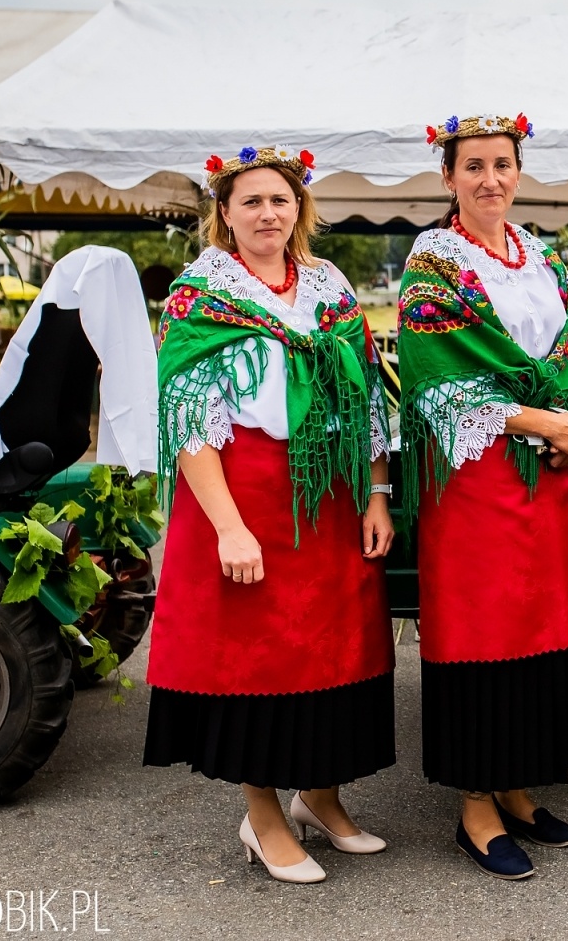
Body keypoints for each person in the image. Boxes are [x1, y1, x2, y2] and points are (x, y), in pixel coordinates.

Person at [144, 146, 395, 885]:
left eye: (280, 201)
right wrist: (228, 526)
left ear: (299, 210)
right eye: (251, 201)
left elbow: (366, 395)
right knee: (257, 662)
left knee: (338, 652)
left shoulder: (328, 287)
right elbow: (188, 419)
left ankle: (320, 797)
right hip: (246, 493)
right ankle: (262, 818)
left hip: (331, 495)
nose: (267, 214)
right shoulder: (200, 295)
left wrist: (377, 493)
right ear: (225, 213)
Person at [397, 114, 568, 881]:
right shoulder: (433, 264)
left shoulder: (540, 256)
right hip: (475, 482)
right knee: (484, 633)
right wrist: (545, 420)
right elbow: (437, 376)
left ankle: (517, 786)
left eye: (502, 164)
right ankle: (475, 809)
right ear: (448, 177)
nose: (491, 179)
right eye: (474, 166)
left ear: (519, 171)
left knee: (541, 626)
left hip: (547, 478)